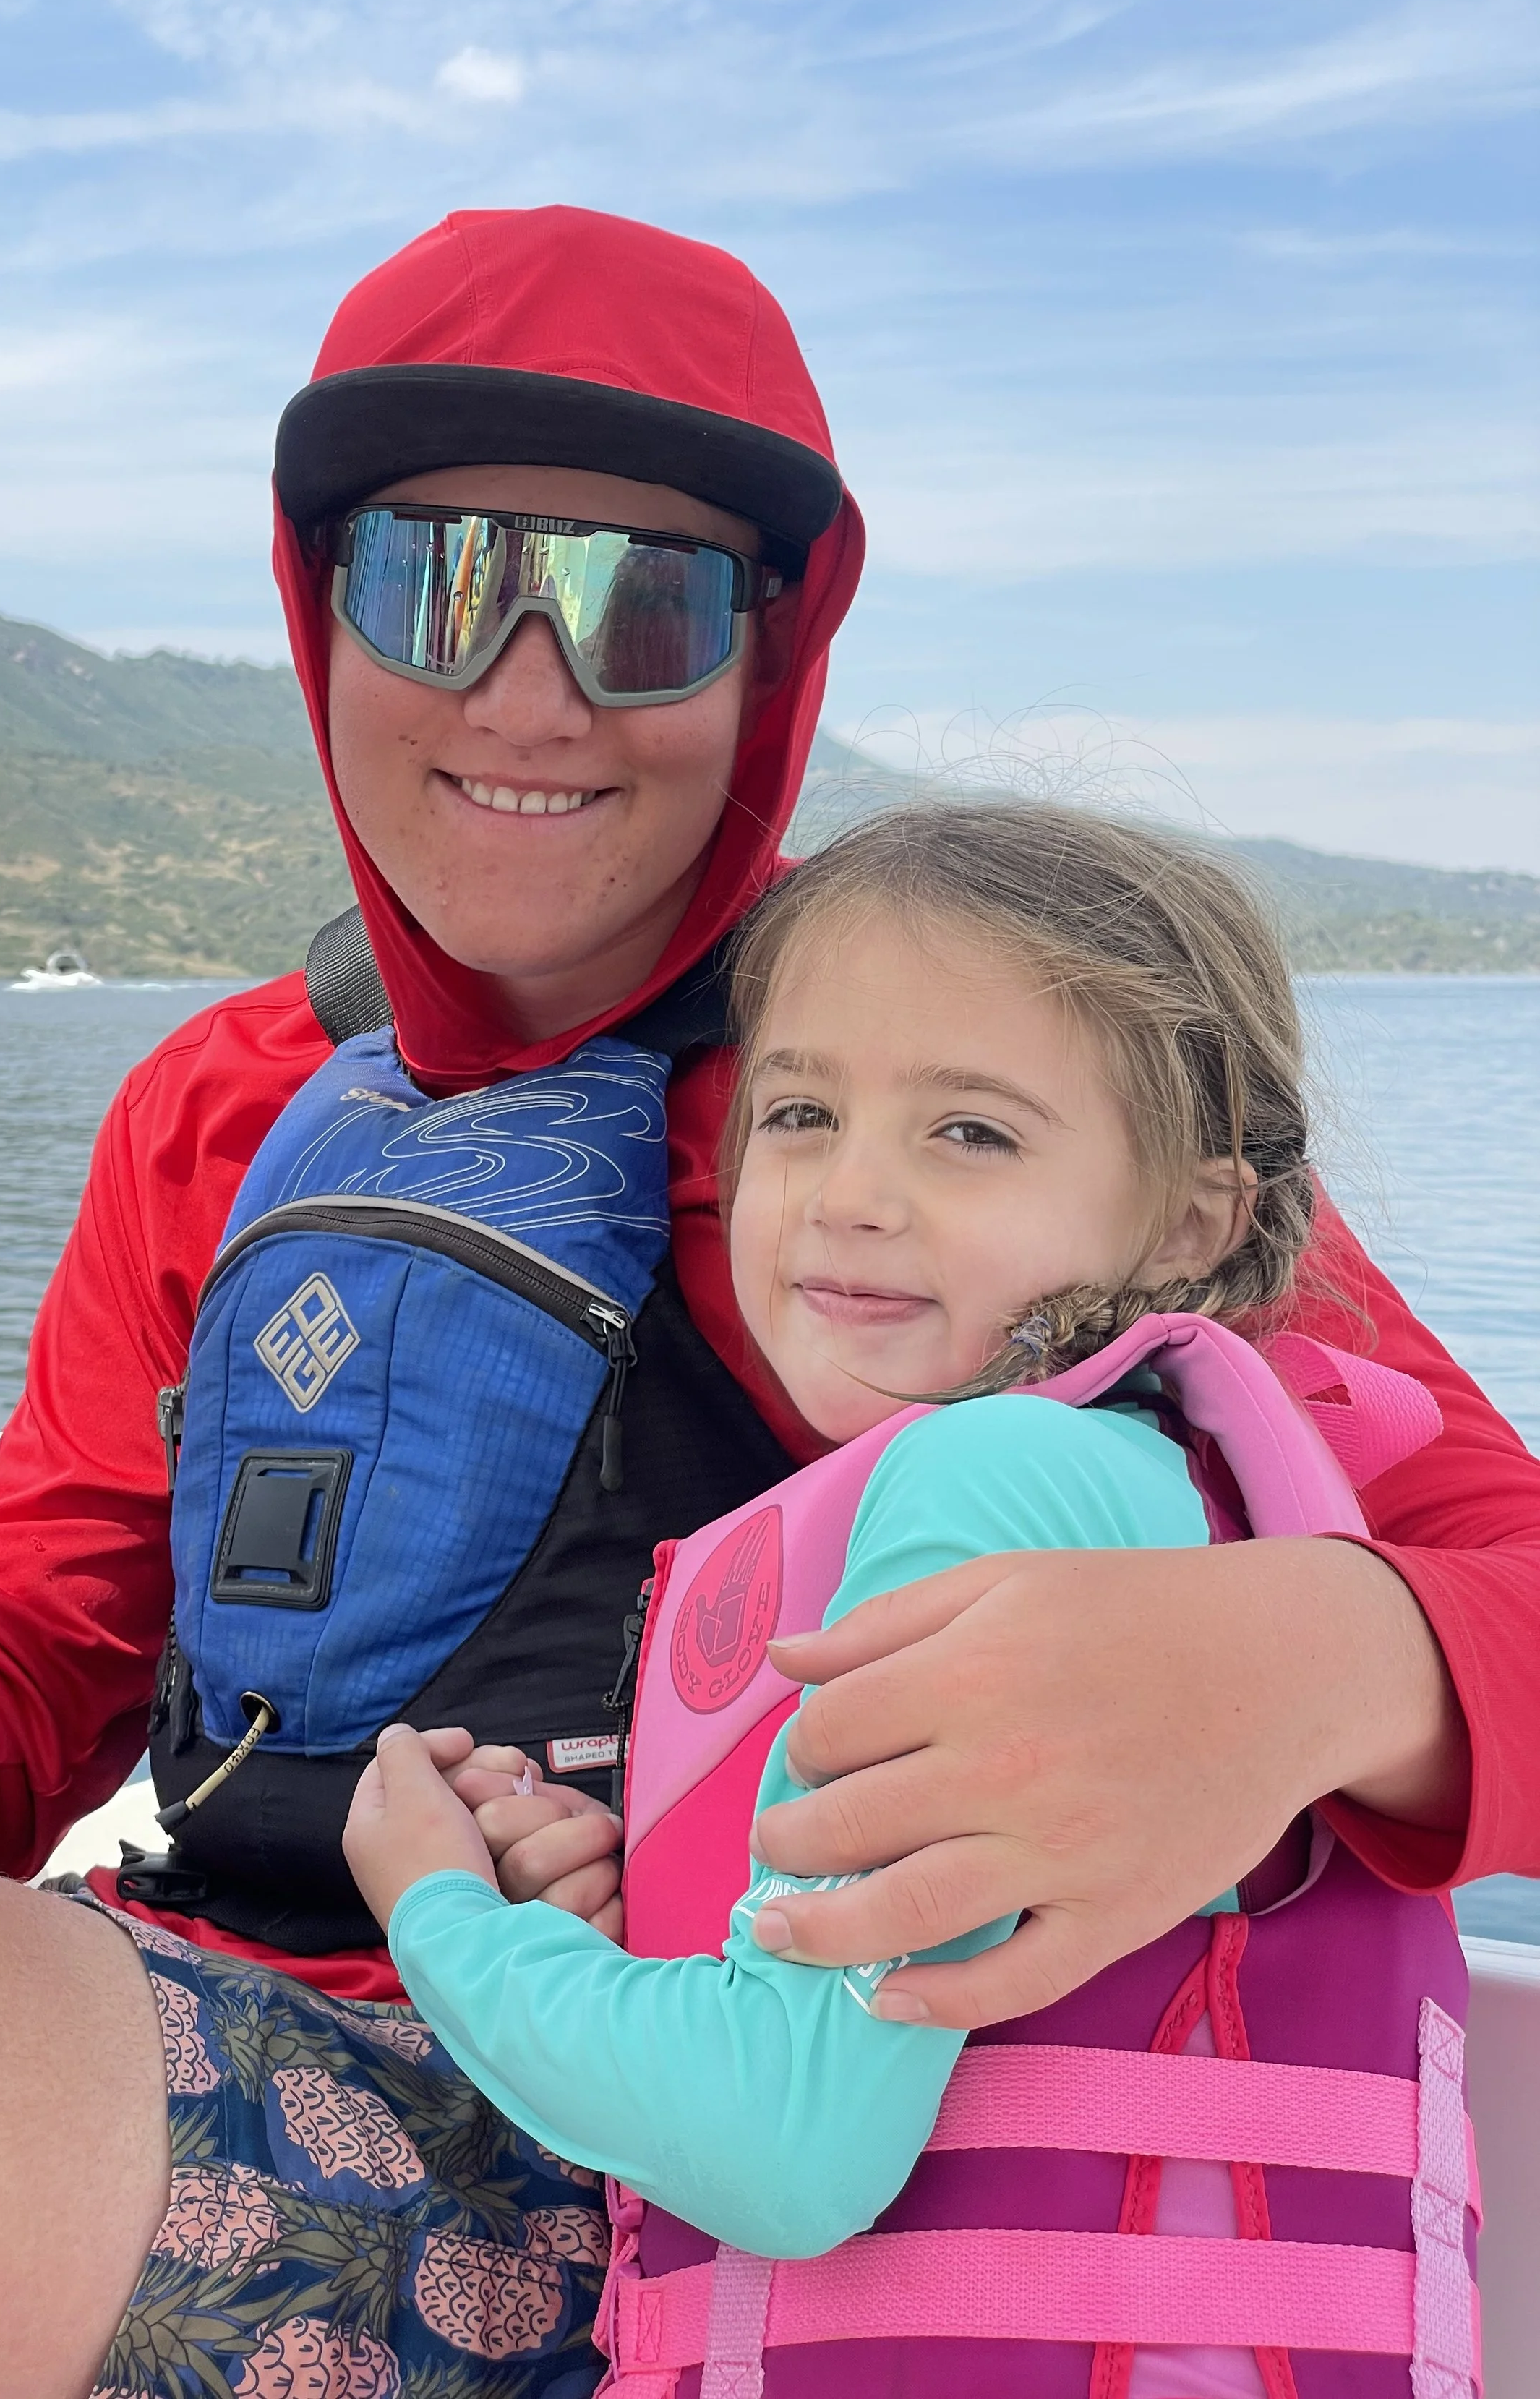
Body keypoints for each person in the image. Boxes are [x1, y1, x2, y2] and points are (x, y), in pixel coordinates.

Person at [0, 206, 1540, 2389]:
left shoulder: (973, 1104)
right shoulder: (224, 1102)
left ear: (769, 657)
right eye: (435, 581)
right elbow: (33, 1645)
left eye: (639, 606)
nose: (524, 690)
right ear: (312, 607)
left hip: (662, 2158)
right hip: (176, 1992)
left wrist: (1319, 1659)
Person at [334, 802, 1473, 2399]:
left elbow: (779, 2143)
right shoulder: (1169, 1482)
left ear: (1195, 1218)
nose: (851, 1193)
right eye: (799, 1112)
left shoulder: (991, 1489)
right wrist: (602, 1932)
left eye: (969, 1132)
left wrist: (436, 1910)